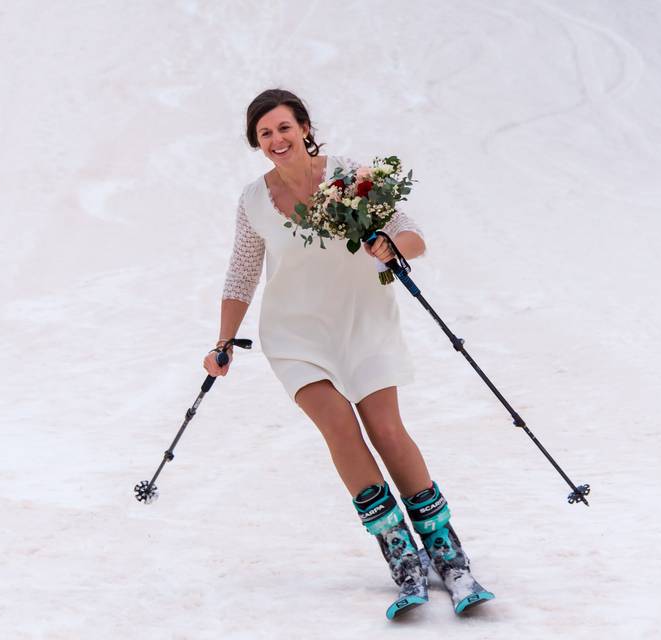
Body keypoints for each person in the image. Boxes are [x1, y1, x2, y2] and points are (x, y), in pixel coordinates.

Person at [203, 88, 493, 618]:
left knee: (386, 429)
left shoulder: (350, 176)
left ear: (305, 127)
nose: (276, 140)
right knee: (340, 427)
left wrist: (390, 246)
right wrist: (222, 342)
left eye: (284, 127)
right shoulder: (252, 201)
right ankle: (401, 556)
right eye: (265, 133)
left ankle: (449, 555)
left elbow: (412, 234)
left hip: (364, 323)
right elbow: (241, 274)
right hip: (295, 336)